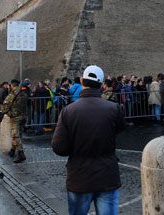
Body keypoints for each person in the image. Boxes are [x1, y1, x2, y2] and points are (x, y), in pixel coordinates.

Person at [52, 65, 126, 215]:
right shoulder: (114, 108)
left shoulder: (68, 111)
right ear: (101, 85)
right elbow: (119, 130)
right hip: (107, 176)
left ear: (81, 81)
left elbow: (59, 147)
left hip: (79, 177)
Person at [2, 79, 28, 163]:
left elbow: (5, 107)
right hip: (23, 116)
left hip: (15, 117)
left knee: (15, 135)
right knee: (17, 133)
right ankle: (12, 151)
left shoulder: (12, 94)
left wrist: (8, 112)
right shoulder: (24, 93)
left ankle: (21, 154)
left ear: (12, 85)